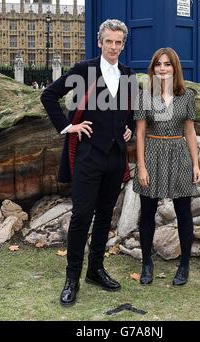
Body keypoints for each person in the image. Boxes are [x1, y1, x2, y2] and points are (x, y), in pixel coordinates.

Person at [41, 19, 135, 306]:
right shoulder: (84, 71)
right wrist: (68, 127)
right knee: (82, 217)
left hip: (115, 158)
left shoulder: (128, 75)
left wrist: (128, 127)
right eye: (109, 41)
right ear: (100, 42)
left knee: (106, 216)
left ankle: (95, 270)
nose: (114, 47)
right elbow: (49, 96)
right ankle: (72, 279)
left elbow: (128, 113)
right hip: (88, 157)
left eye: (119, 42)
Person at [133, 47, 200, 287]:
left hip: (178, 153)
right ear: (153, 69)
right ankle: (146, 264)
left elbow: (190, 131)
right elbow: (140, 133)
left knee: (184, 213)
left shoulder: (187, 96)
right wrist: (141, 166)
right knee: (148, 213)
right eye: (158, 65)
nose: (162, 68)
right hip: (152, 153)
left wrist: (195, 163)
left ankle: (184, 265)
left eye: (167, 64)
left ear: (175, 68)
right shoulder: (144, 96)